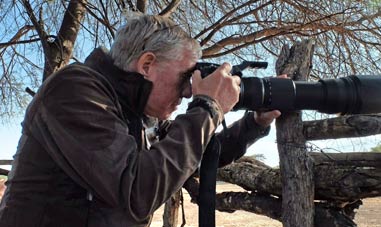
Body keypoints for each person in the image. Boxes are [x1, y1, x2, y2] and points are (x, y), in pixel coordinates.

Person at [0, 14, 281, 226]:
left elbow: (197, 153)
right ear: (147, 65)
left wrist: (255, 123)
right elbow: (136, 190)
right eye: (184, 78)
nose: (187, 92)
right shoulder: (74, 90)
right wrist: (208, 106)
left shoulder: (139, 113)